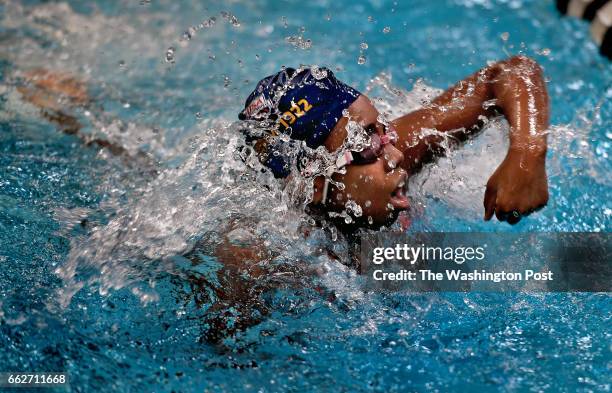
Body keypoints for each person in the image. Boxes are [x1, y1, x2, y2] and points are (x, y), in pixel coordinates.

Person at [238, 56, 549, 227]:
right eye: (371, 142)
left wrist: (527, 152)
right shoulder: (263, 264)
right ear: (314, 182)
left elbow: (509, 74)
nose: (398, 153)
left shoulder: (384, 161)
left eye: (383, 130)